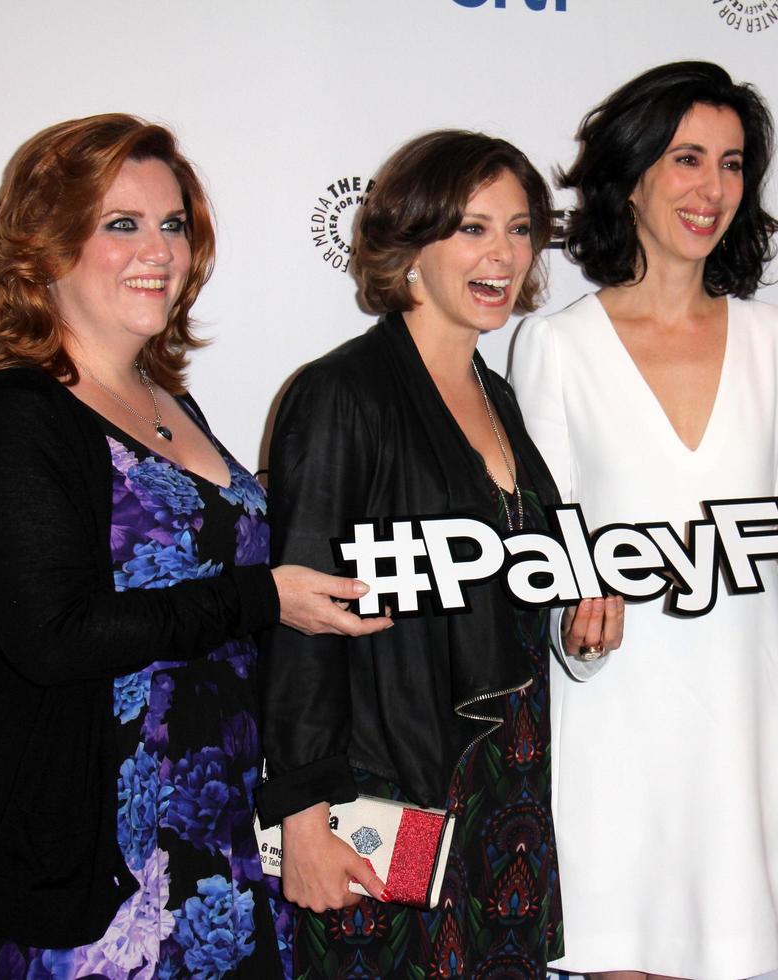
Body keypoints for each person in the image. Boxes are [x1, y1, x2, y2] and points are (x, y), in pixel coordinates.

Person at [0, 113, 386, 979]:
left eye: (172, 225)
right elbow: (55, 637)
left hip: (217, 845)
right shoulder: (9, 416)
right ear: (48, 245)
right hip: (85, 874)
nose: (158, 250)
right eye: (120, 224)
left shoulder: (173, 403)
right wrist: (264, 596)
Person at [508, 62, 778, 980]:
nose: (710, 188)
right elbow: (539, 559)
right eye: (685, 159)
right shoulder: (553, 346)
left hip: (739, 725)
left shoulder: (775, 339)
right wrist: (576, 631)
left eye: (731, 162)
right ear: (631, 175)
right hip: (612, 725)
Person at [258, 129, 620, 977]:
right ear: (410, 243)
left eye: (521, 228)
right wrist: (303, 815)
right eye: (472, 228)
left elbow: (509, 592)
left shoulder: (498, 395)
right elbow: (301, 618)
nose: (503, 254)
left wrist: (580, 626)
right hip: (392, 791)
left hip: (506, 788)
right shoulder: (342, 393)